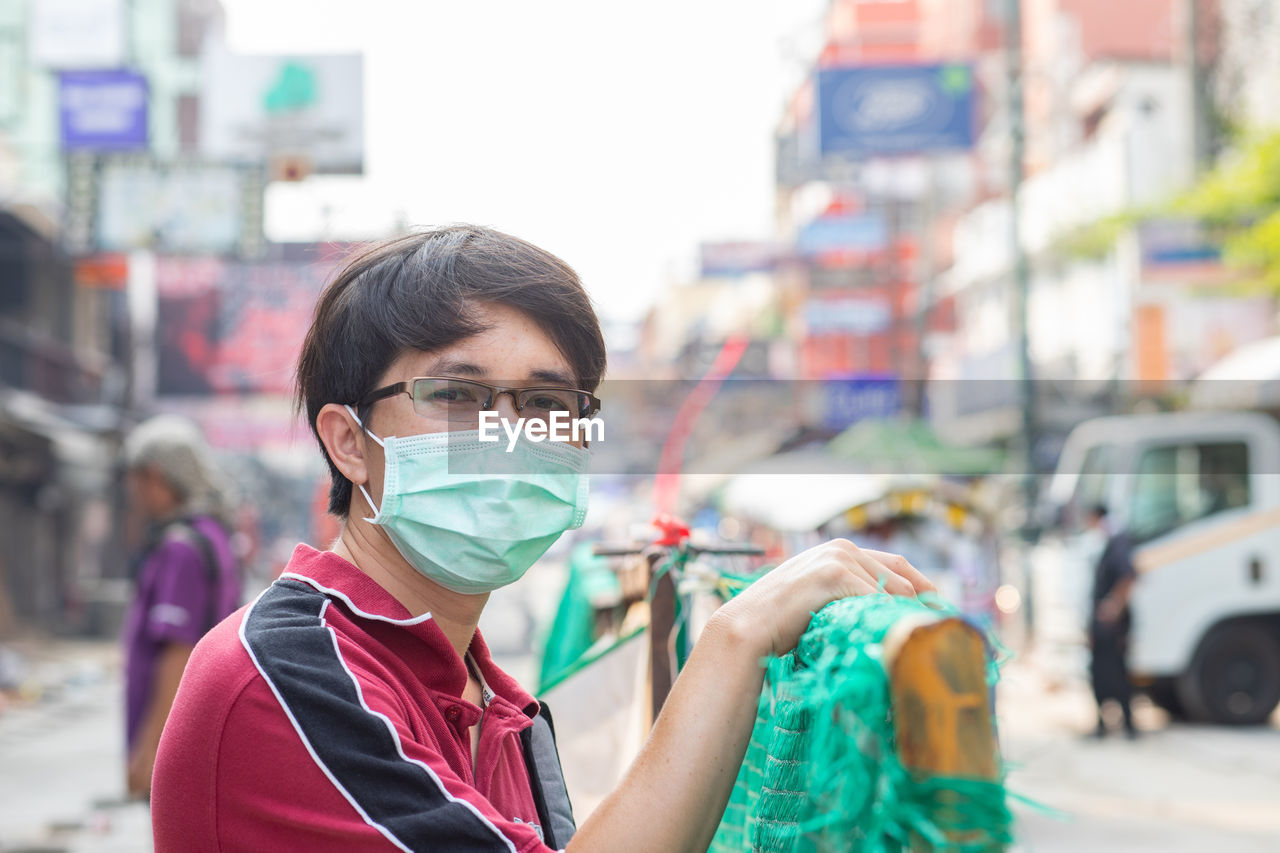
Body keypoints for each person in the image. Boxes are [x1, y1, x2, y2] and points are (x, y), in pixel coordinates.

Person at [151, 225, 936, 851]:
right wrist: (736, 637)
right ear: (349, 441)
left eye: (546, 401)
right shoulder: (287, 677)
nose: (508, 434)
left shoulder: (496, 700)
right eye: (456, 394)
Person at [121, 414, 242, 798]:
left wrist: (147, 752)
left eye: (136, 481)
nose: (134, 494)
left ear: (155, 477)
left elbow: (178, 651)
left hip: (179, 739)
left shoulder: (180, 548)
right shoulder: (213, 534)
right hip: (204, 731)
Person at [1086, 504, 1138, 739]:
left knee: (1115, 674)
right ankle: (1107, 724)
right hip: (1105, 625)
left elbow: (1128, 576)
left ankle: (1126, 725)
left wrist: (1113, 607)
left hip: (1112, 626)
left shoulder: (1117, 542)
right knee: (1102, 674)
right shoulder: (1107, 543)